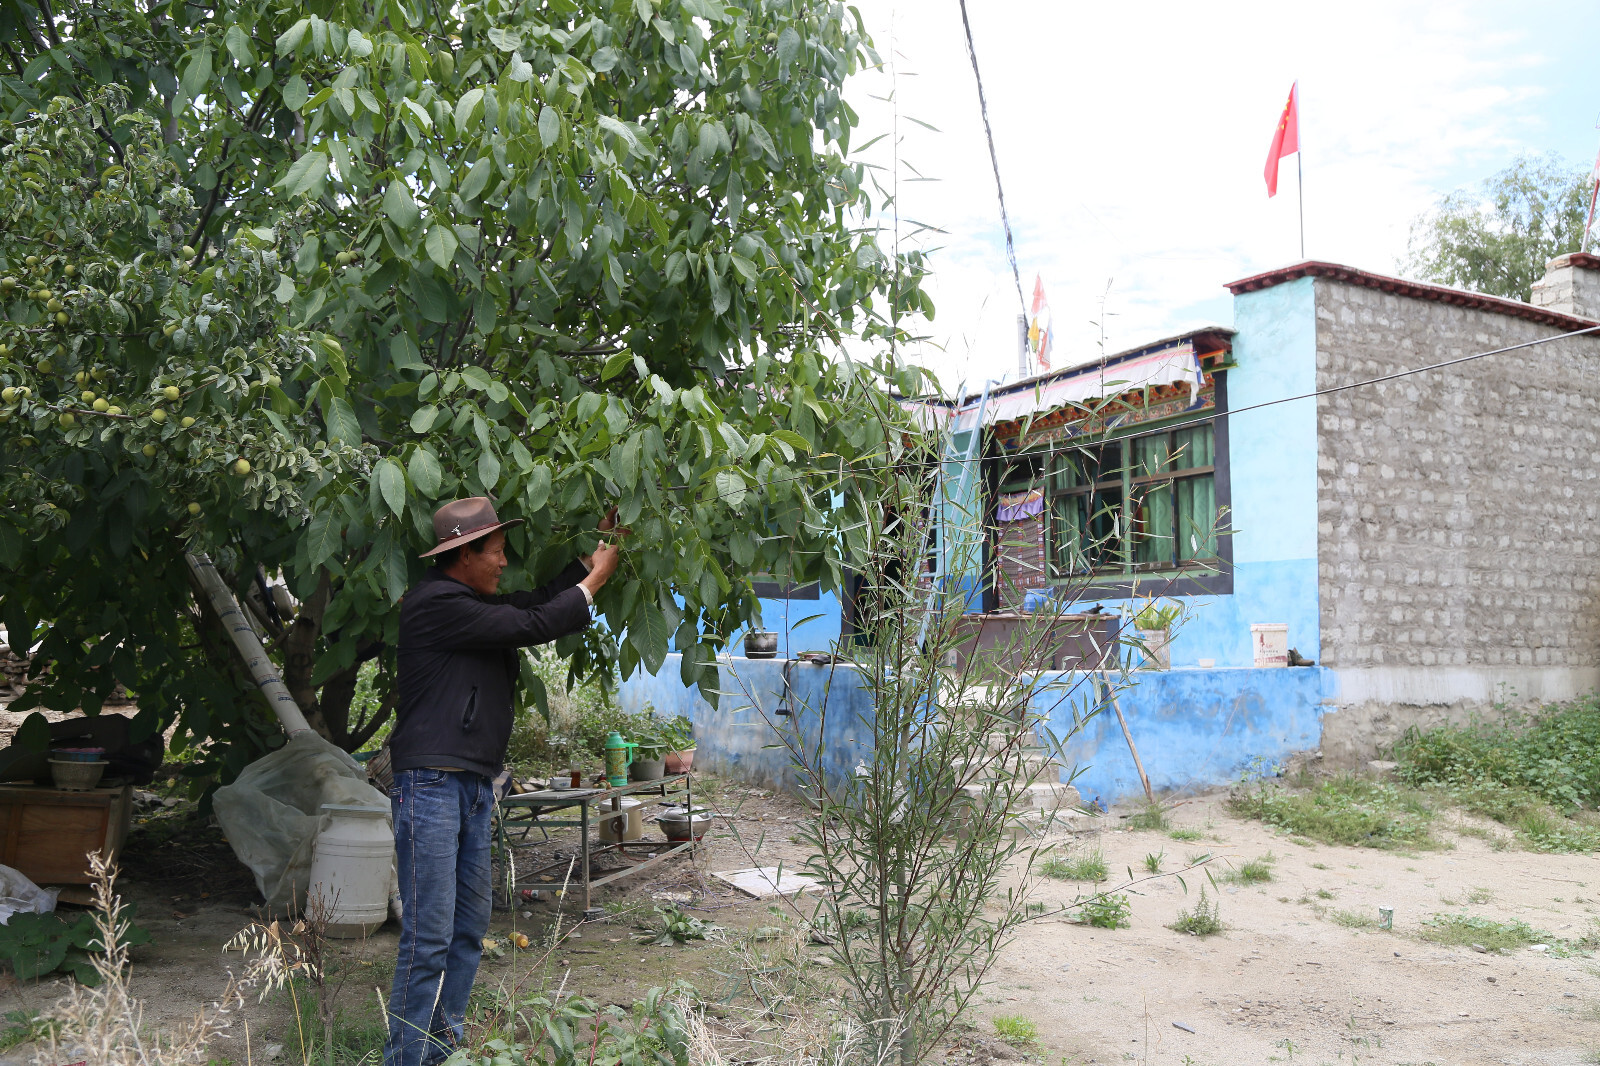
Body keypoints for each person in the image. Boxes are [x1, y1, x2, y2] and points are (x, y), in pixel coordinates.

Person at [383, 496, 621, 1066]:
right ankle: (408, 1058)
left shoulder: (466, 600)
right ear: (463, 555)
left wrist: (590, 559)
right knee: (429, 937)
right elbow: (535, 622)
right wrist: (596, 583)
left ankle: (444, 1048)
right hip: (432, 786)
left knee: (469, 928)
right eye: (495, 551)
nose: (504, 561)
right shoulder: (435, 603)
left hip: (471, 787)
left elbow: (534, 601)